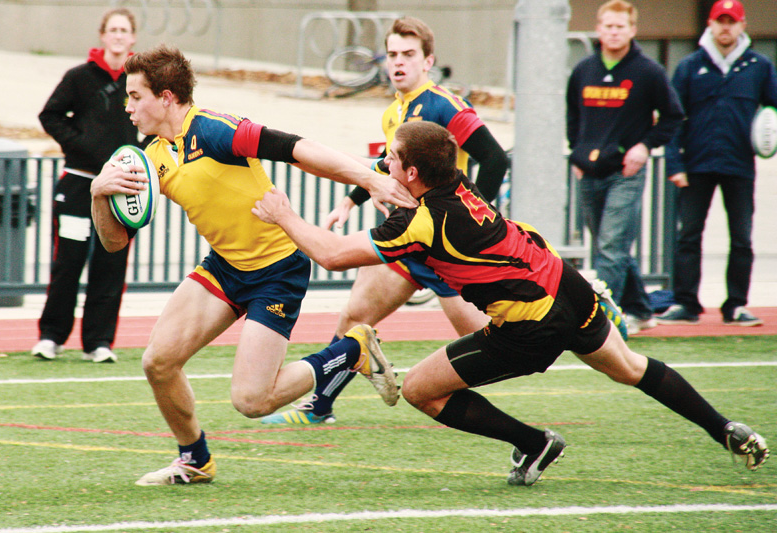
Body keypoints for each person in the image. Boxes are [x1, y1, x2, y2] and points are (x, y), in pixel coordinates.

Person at [253, 120, 769, 485]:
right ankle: (723, 426)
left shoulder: (420, 222)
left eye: (392, 156)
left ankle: (534, 441)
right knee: (631, 368)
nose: (384, 160)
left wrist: (285, 215)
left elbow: (335, 254)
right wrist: (381, 179)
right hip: (569, 286)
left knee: (419, 391)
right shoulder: (458, 182)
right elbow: (419, 178)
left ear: (412, 173)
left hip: (530, 324)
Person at [90, 44, 416, 485]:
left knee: (252, 401)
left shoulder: (217, 131)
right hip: (223, 269)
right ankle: (194, 460)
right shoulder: (151, 159)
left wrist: (368, 176)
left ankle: (352, 349)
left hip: (277, 271)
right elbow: (114, 243)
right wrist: (99, 195)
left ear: (166, 96)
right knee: (158, 362)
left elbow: (299, 149)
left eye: (135, 96)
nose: (128, 107)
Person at [261, 16, 509, 425]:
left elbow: (495, 158)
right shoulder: (395, 111)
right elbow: (386, 166)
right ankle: (319, 407)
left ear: (428, 61)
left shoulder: (443, 104)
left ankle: (582, 312)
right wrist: (350, 200)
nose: (399, 62)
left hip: (444, 244)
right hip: (407, 240)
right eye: (392, 54)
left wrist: (472, 219)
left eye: (409, 55)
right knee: (354, 317)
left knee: (497, 337)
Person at [566, 0, 684, 335]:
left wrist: (645, 147)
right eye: (608, 25)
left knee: (611, 247)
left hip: (625, 174)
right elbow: (573, 116)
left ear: (632, 30)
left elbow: (673, 116)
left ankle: (602, 322)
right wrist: (577, 153)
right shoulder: (583, 70)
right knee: (609, 245)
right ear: (598, 29)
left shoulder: (648, 72)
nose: (614, 32)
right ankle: (642, 310)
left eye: (621, 26)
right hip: (588, 172)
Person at [33, 8, 142, 363]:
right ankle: (51, 337)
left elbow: (155, 125)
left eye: (124, 30)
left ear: (133, 38)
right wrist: (82, 146)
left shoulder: (139, 82)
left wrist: (137, 155)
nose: (118, 36)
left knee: (111, 265)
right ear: (102, 35)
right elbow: (49, 115)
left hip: (123, 191)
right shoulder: (79, 77)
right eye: (112, 29)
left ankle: (99, 343)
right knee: (68, 261)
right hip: (79, 186)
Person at [659, 0, 777, 326]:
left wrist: (769, 137)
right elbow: (673, 119)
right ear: (710, 24)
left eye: (732, 21)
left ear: (742, 25)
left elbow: (774, 106)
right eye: (720, 21)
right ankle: (686, 304)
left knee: (741, 238)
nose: (726, 27)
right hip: (696, 165)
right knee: (688, 237)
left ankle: (736, 305)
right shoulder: (689, 66)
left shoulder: (759, 66)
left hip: (739, 165)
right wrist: (675, 164)